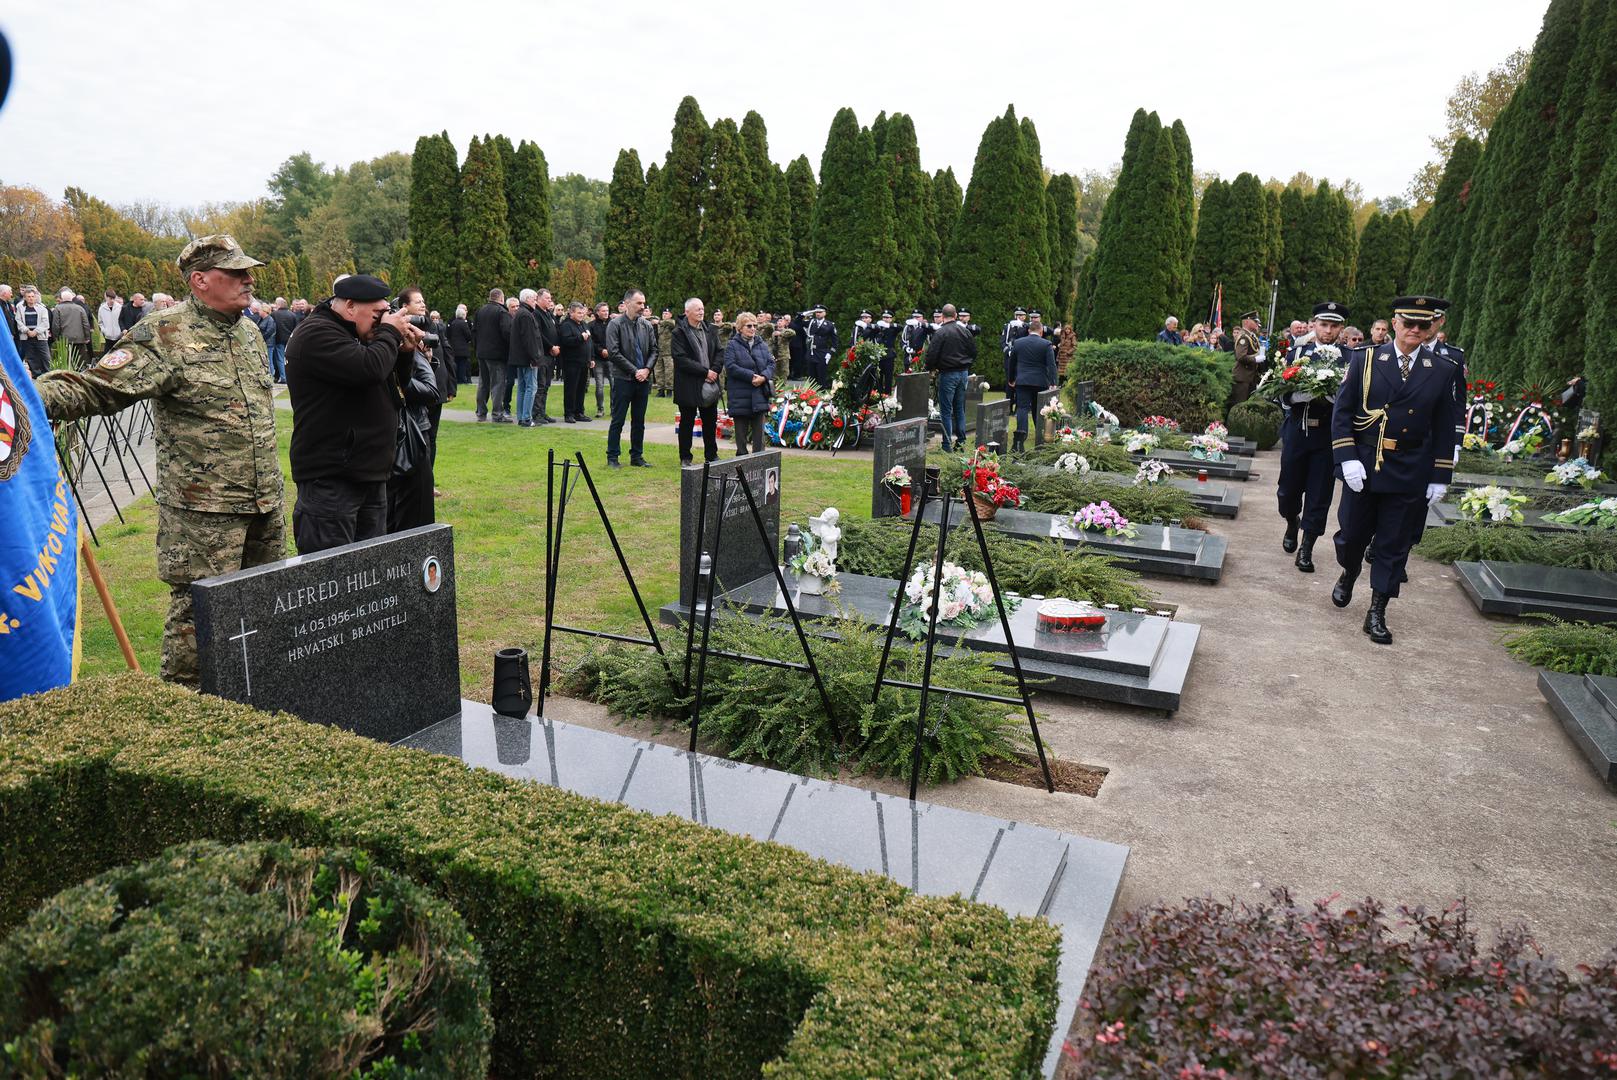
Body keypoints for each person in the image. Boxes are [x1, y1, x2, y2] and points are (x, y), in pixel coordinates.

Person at [33, 235, 284, 686]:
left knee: (262, 607)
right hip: (204, 512)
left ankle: (256, 701)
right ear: (200, 280)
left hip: (263, 500)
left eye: (248, 271)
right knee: (197, 620)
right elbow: (97, 388)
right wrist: (23, 396)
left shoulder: (247, 332)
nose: (249, 279)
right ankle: (183, 712)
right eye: (236, 272)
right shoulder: (165, 331)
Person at [1329, 297, 1457, 644]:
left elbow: (1446, 425)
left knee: (1394, 544)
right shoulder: (1365, 359)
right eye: (1408, 323)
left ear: (1431, 328)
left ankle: (1377, 611)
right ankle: (1349, 570)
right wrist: (1347, 457)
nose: (1415, 330)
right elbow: (1342, 413)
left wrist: (1440, 474)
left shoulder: (1443, 370)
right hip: (1367, 464)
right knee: (1352, 535)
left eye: (1423, 325)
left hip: (1410, 468)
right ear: (1395, 323)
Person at [285, 273, 421, 554]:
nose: (382, 320)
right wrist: (390, 333)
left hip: (369, 474)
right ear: (349, 307)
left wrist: (404, 353)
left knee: (370, 574)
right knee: (330, 575)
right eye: (377, 314)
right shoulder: (317, 333)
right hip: (332, 478)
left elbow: (394, 388)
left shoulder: (360, 334)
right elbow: (368, 369)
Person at [1277, 301, 1348, 573]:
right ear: (1314, 324)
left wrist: (1334, 397)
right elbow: (1281, 390)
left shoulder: (1350, 359)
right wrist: (1297, 394)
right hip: (1298, 429)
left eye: (1333, 326)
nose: (1328, 331)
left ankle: (1307, 547)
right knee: (1288, 490)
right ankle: (1292, 520)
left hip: (1328, 437)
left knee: (1320, 494)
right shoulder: (1297, 353)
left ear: (1340, 329)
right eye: (1323, 324)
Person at [388, 286, 440, 533]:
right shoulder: (402, 342)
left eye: (423, 301)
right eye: (417, 302)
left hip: (415, 425)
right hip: (409, 430)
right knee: (410, 514)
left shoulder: (419, 337)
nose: (422, 306)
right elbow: (430, 390)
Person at [605, 288, 657, 468]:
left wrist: (647, 369)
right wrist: (635, 370)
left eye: (643, 303)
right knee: (618, 419)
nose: (642, 306)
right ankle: (613, 456)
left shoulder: (646, 325)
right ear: (627, 303)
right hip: (623, 379)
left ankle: (637, 456)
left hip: (643, 380)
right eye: (639, 303)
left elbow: (654, 350)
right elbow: (613, 353)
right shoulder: (615, 325)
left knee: (639, 420)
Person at [672, 297, 722, 466]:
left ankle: (711, 455)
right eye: (697, 309)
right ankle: (685, 457)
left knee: (710, 421)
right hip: (688, 385)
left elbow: (720, 353)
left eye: (702, 309)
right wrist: (704, 372)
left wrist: (714, 370)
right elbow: (681, 359)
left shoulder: (711, 330)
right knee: (687, 422)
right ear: (687, 312)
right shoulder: (678, 333)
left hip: (710, 384)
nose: (701, 312)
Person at [925, 304, 976, 452]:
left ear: (942, 316)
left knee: (946, 410)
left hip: (948, 373)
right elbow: (973, 351)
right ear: (955, 316)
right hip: (963, 373)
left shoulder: (941, 332)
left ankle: (947, 445)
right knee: (959, 408)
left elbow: (931, 354)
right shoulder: (964, 331)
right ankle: (961, 442)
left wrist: (930, 368)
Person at [723, 312, 774, 457]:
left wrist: (763, 377)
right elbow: (731, 366)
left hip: (759, 396)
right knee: (741, 438)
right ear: (740, 328)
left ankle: (759, 464)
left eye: (755, 326)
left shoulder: (761, 344)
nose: (753, 329)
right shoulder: (732, 345)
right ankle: (742, 467)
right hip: (740, 396)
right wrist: (751, 377)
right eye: (749, 326)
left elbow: (771, 363)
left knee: (759, 439)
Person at [1006, 314, 1057, 452]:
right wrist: (1053, 382)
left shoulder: (1018, 343)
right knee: (1038, 409)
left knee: (1022, 408)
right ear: (1041, 332)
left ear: (1029, 330)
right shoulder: (1046, 344)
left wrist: (1011, 379)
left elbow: (1012, 363)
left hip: (1022, 380)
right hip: (1040, 381)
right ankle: (1040, 437)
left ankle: (1021, 438)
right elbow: (1051, 365)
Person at [473, 287, 511, 422]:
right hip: (497, 354)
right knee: (498, 384)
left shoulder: (480, 311)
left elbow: (474, 331)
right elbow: (507, 333)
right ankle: (497, 414)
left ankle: (481, 413)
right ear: (501, 298)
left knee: (483, 383)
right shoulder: (502, 312)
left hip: (481, 352)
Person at [509, 288, 543, 428]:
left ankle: (522, 417)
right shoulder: (526, 315)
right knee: (530, 387)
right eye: (534, 299)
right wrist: (535, 358)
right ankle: (526, 418)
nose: (535, 301)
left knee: (523, 387)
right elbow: (530, 339)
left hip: (520, 358)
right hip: (527, 358)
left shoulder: (521, 313)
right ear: (528, 299)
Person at [556, 300, 593, 422]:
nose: (581, 315)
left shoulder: (583, 324)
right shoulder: (566, 325)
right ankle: (569, 413)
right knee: (571, 388)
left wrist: (591, 357)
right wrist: (580, 337)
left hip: (583, 362)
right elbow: (566, 341)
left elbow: (589, 343)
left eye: (582, 313)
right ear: (571, 313)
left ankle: (579, 412)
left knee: (581, 388)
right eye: (578, 313)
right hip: (571, 362)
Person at [532, 288, 561, 424]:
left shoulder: (548, 313)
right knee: (541, 385)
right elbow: (539, 334)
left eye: (550, 298)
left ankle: (542, 412)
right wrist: (551, 347)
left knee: (547, 385)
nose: (550, 301)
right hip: (543, 354)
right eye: (547, 298)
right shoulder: (536, 313)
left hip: (551, 355)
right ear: (538, 299)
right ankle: (536, 413)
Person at [50, 287, 92, 370]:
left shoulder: (58, 309)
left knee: (67, 361)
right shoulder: (80, 308)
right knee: (80, 362)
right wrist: (87, 337)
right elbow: (86, 324)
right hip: (79, 339)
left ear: (62, 299)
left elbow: (56, 325)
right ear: (72, 298)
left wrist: (56, 338)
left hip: (65, 340)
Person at [15, 285, 52, 375]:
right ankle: (36, 375)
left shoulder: (42, 308)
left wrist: (35, 331)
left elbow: (45, 323)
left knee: (45, 357)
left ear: (35, 297)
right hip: (26, 337)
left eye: (32, 296)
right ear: (25, 297)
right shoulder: (20, 307)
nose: (31, 298)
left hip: (40, 337)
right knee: (31, 358)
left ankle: (47, 374)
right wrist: (27, 331)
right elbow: (18, 321)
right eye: (29, 297)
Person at [1229, 310, 1264, 405]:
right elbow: (1240, 356)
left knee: (1247, 407)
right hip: (1242, 378)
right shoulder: (1244, 337)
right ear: (1247, 321)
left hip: (1250, 378)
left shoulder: (1251, 336)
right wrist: (1255, 359)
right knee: (1239, 406)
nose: (1258, 324)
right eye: (1255, 321)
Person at [589, 301, 612, 417]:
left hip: (612, 359)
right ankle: (600, 408)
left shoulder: (613, 323)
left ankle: (614, 408)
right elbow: (591, 342)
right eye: (603, 311)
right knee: (599, 385)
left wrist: (609, 350)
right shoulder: (591, 325)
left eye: (607, 310)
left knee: (614, 385)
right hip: (598, 359)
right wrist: (601, 350)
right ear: (597, 312)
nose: (606, 313)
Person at [806, 304, 837, 385]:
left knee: (821, 375)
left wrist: (830, 353)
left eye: (820, 312)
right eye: (816, 312)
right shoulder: (811, 322)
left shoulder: (830, 325)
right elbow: (797, 323)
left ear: (825, 313)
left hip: (822, 352)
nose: (818, 314)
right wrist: (804, 314)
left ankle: (821, 393)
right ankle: (810, 394)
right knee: (811, 375)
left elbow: (835, 341)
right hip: (812, 351)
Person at [269, 297, 297, 382]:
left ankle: (283, 377)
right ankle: (289, 376)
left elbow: (272, 327)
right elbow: (295, 328)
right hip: (290, 339)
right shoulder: (292, 314)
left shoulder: (274, 314)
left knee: (280, 359)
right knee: (288, 359)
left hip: (279, 339)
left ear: (279, 305)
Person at [446, 303, 473, 384]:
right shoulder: (463, 323)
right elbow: (468, 335)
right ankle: (462, 380)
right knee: (462, 365)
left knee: (456, 364)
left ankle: (456, 380)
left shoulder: (453, 323)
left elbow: (448, 334)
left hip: (454, 347)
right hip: (462, 348)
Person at [96, 289, 123, 354]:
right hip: (108, 337)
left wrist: (121, 331)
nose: (112, 300)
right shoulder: (102, 308)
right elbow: (100, 322)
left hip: (119, 336)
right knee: (106, 356)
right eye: (110, 298)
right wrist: (105, 331)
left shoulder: (120, 307)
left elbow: (123, 320)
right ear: (106, 297)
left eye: (113, 298)